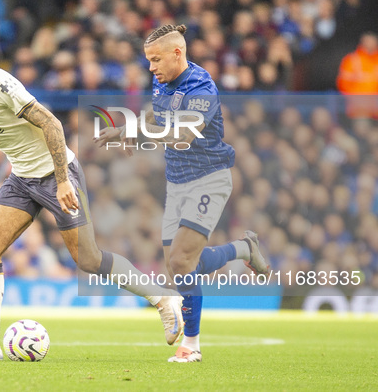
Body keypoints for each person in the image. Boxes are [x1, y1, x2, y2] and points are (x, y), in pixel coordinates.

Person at [0, 32, 182, 360]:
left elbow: (52, 124)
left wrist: (62, 182)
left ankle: (163, 298)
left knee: (88, 259)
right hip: (21, 178)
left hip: (56, 175)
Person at [97, 24, 270, 363]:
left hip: (209, 178)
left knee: (181, 262)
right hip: (176, 181)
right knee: (179, 268)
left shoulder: (201, 87)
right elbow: (157, 115)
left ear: (178, 53)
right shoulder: (161, 80)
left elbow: (183, 135)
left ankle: (192, 345)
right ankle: (242, 248)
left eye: (156, 59)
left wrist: (136, 129)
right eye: (148, 61)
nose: (151, 68)